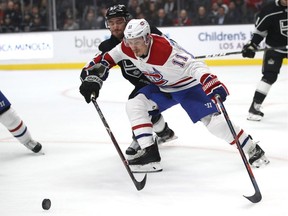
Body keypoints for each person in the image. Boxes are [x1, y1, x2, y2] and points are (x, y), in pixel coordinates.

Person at [79, 18, 270, 172]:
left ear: (147, 38)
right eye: (130, 42)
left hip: (188, 87)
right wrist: (91, 76)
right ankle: (150, 154)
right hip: (162, 88)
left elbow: (193, 66)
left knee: (216, 124)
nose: (133, 48)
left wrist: (211, 81)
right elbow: (105, 59)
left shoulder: (166, 51)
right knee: (135, 104)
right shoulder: (127, 46)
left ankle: (251, 148)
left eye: (137, 42)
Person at [79, 5, 176, 159]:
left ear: (127, 21)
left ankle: (141, 138)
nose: (115, 27)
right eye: (111, 23)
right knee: (142, 105)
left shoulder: (147, 31)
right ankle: (164, 132)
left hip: (164, 79)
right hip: (143, 84)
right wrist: (90, 79)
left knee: (136, 104)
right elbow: (96, 65)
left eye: (119, 22)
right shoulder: (107, 46)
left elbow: (171, 47)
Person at [242, 0, 288, 121]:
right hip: (274, 49)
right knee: (269, 76)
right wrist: (252, 45)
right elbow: (260, 32)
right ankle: (254, 108)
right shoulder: (269, 10)